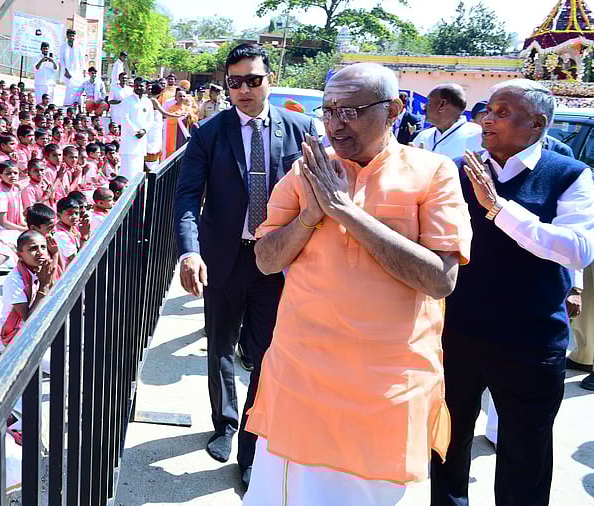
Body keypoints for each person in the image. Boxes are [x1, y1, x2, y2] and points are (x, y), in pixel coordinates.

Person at [242, 62, 471, 503]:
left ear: (394, 110)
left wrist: (348, 212)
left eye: (351, 110)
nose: (335, 124)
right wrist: (312, 215)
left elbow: (440, 280)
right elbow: (266, 261)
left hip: (387, 388)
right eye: (329, 110)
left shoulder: (434, 172)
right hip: (303, 378)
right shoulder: (307, 170)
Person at [431, 79, 594, 506]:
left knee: (525, 455)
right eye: (488, 111)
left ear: (537, 123)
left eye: (502, 112)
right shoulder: (455, 171)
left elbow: (577, 249)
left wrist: (499, 207)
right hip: (457, 333)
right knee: (447, 446)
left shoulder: (570, 175)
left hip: (530, 340)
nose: (487, 118)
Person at [174, 42, 316, 489]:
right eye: (234, 82)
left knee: (266, 355)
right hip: (222, 259)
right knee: (220, 346)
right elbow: (185, 199)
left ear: (269, 78)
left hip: (277, 262)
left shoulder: (301, 130)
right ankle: (226, 424)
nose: (243, 90)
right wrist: (189, 251)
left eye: (253, 80)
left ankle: (253, 443)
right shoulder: (208, 134)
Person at [413, 83, 482, 159]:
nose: (424, 107)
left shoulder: (477, 135)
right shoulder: (423, 136)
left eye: (429, 101)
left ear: (442, 104)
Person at [119, 77, 153, 179]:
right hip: (129, 140)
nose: (139, 87)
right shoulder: (127, 101)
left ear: (145, 87)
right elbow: (125, 118)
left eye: (141, 85)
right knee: (127, 170)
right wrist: (135, 132)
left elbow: (150, 120)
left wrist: (144, 131)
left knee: (138, 169)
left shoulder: (148, 102)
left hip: (141, 140)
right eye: (136, 85)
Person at [163, 87, 198, 158]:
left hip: (184, 135)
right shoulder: (171, 108)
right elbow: (170, 119)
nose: (182, 98)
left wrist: (189, 115)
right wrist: (179, 116)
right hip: (174, 135)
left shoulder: (187, 108)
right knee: (172, 155)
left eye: (183, 96)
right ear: (176, 98)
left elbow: (195, 119)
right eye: (180, 96)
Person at [59, 29, 85, 107]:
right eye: (70, 36)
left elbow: (82, 59)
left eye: (73, 36)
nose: (72, 37)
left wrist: (83, 71)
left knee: (78, 89)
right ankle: (68, 105)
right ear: (67, 36)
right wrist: (65, 70)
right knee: (70, 88)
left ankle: (78, 105)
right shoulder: (63, 46)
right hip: (68, 72)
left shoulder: (78, 47)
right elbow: (61, 60)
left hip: (77, 72)